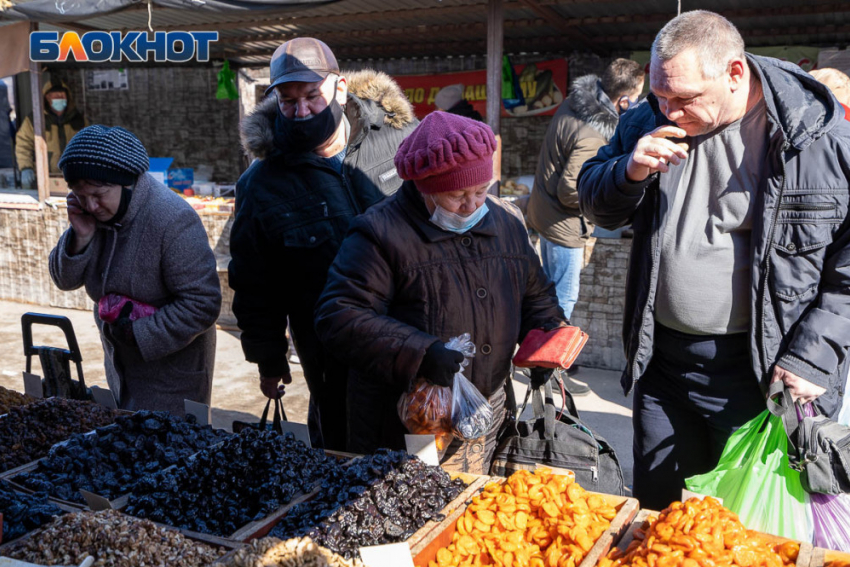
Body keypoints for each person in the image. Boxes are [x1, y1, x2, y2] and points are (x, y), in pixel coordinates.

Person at [577, 10, 850, 510]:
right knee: (660, 515)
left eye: (684, 98)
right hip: (663, 364)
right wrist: (629, 170)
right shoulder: (647, 118)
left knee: (746, 529)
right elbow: (594, 199)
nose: (669, 111)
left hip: (763, 375)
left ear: (734, 73)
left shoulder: (816, 138)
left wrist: (815, 355)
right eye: (659, 95)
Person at [314, 111, 566, 473]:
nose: (472, 204)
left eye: (481, 190)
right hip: (409, 418)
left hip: (484, 410)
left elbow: (536, 295)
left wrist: (546, 334)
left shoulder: (507, 222)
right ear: (425, 188)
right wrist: (420, 353)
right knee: (412, 499)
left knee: (475, 501)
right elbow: (340, 316)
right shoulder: (380, 232)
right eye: (456, 195)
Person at [229, 38, 417, 450]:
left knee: (417, 449)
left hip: (413, 338)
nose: (302, 111)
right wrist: (268, 357)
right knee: (342, 449)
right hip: (332, 354)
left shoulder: (399, 140)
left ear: (340, 88)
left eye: (312, 96)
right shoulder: (261, 184)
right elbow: (255, 280)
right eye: (288, 101)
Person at [48, 125, 221, 415]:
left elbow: (203, 303)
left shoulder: (173, 220)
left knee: (163, 438)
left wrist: (138, 335)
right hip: (120, 364)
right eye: (81, 195)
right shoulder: (90, 215)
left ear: (126, 183)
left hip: (172, 374)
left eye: (99, 194)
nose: (91, 205)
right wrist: (81, 236)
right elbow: (63, 280)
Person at [527, 58, 644, 396]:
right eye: (638, 96)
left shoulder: (574, 103)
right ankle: (550, 372)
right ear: (624, 99)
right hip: (563, 226)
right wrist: (608, 196)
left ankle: (544, 361)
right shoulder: (593, 133)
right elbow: (571, 189)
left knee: (549, 297)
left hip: (545, 216)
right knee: (563, 299)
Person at [16, 81, 86, 189]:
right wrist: (25, 167)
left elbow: (89, 145)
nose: (60, 98)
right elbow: (23, 144)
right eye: (56, 96)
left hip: (73, 177)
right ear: (47, 98)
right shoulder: (34, 119)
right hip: (44, 178)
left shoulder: (78, 119)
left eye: (62, 95)